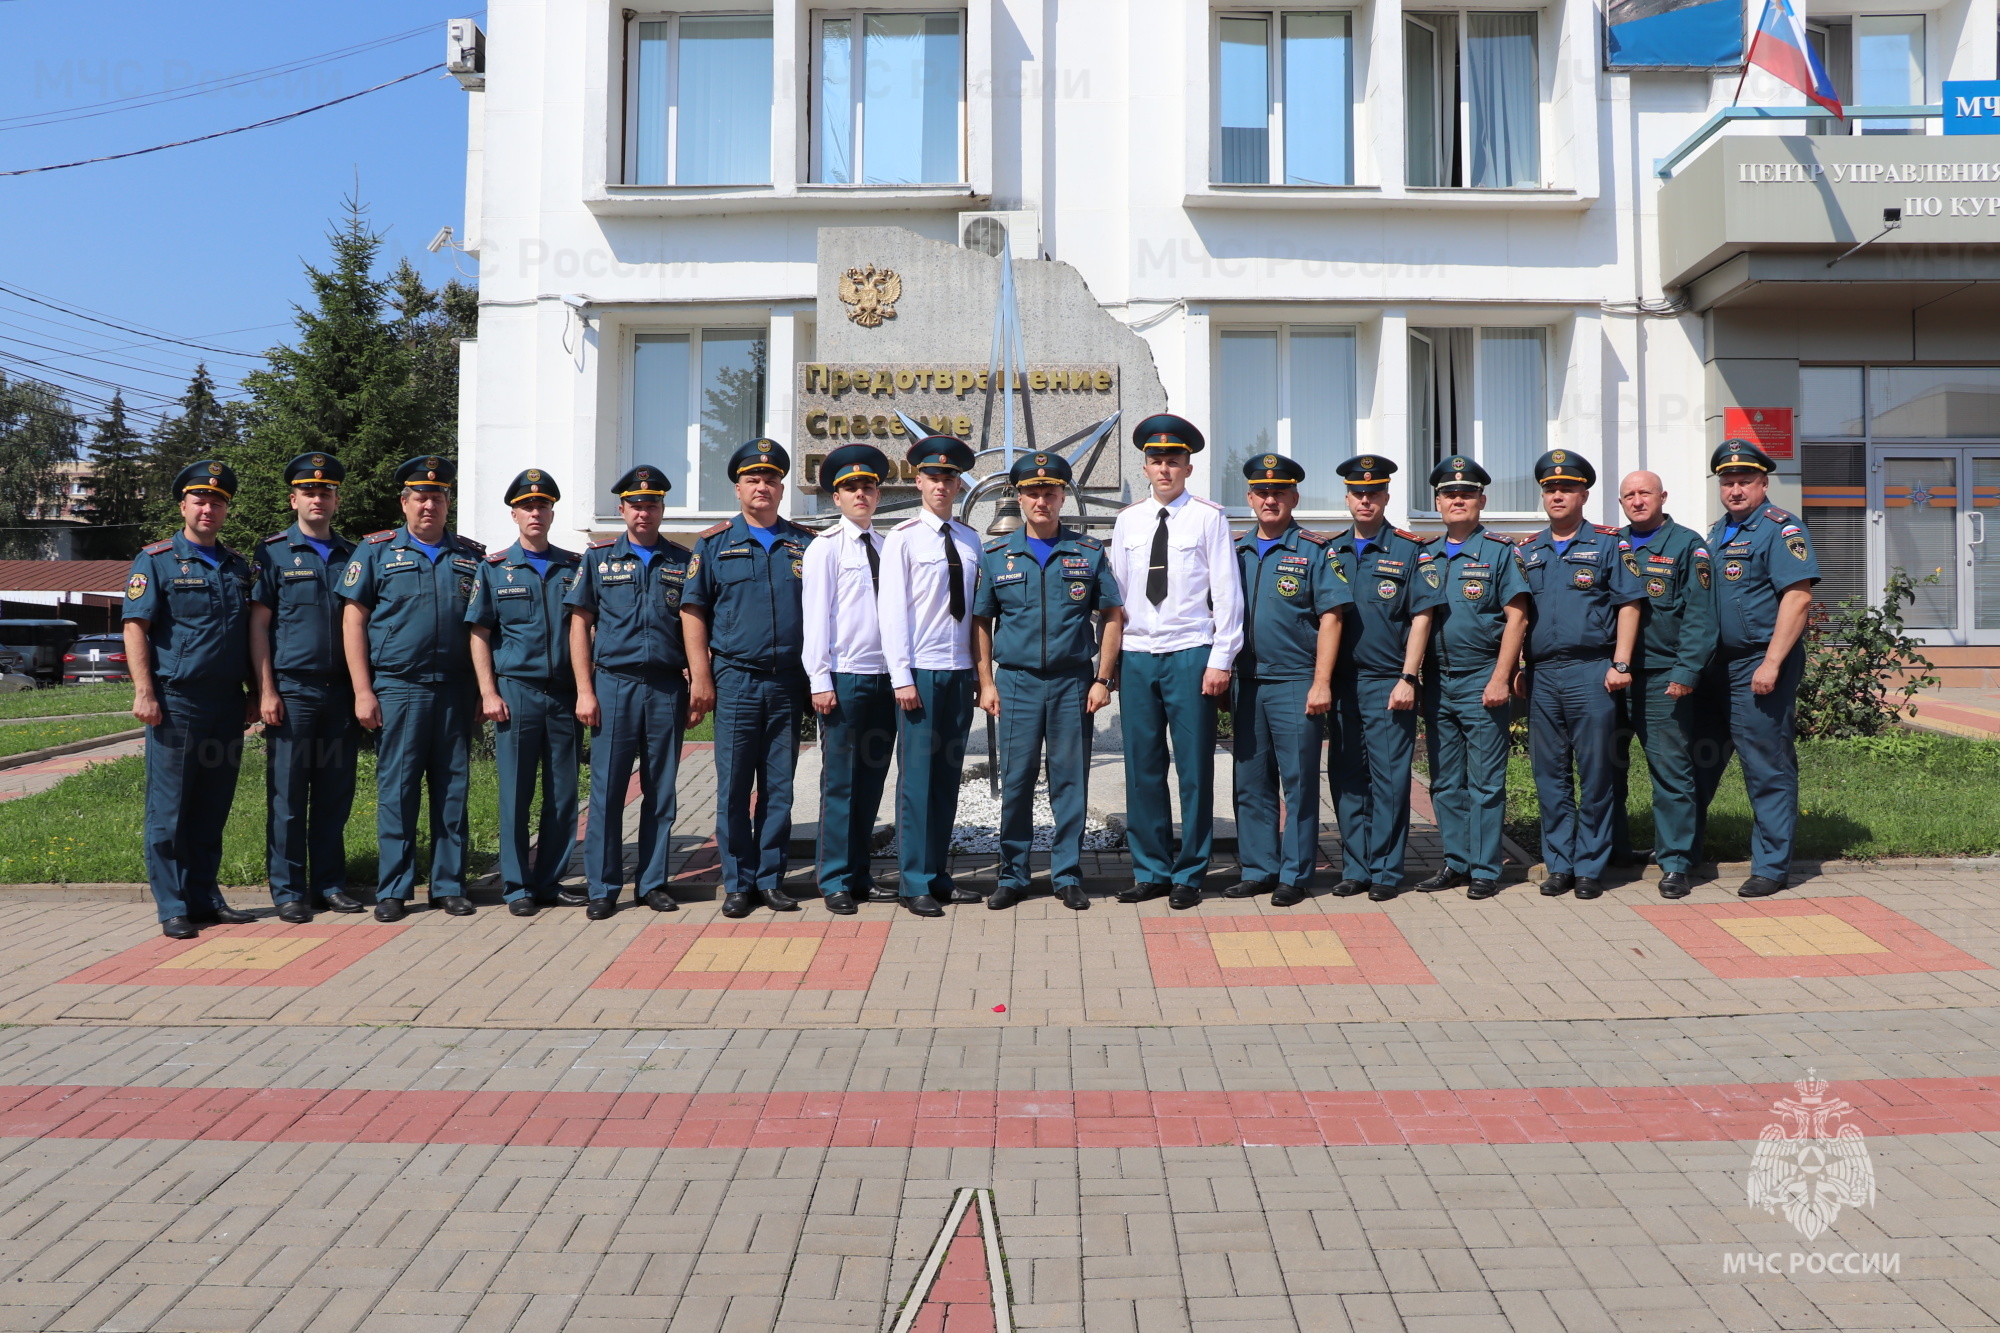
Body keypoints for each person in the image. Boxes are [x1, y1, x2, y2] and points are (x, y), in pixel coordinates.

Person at [972, 450, 1124, 911]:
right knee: (1015, 782)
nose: (1042, 499)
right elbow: (981, 621)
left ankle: (1067, 874)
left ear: (1062, 496)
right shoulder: (997, 554)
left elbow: (1113, 616)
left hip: (1072, 683)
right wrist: (986, 682)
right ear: (1018, 497)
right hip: (1016, 683)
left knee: (1069, 783)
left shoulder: (1088, 552)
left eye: (1050, 491)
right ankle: (1013, 875)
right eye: (1032, 492)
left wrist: (1103, 679)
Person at [339, 455, 485, 922]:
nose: (429, 505)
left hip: (456, 691)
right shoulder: (376, 552)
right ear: (404, 503)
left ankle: (448, 885)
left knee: (452, 791)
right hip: (398, 688)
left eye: (437, 497)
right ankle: (394, 888)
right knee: (398, 789)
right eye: (420, 497)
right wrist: (363, 690)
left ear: (447, 504)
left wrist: (485, 690)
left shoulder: (471, 555)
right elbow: (353, 620)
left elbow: (485, 628)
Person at [1109, 414, 1241, 910]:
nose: (1165, 469)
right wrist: (1112, 662)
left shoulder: (1209, 517)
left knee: (1193, 769)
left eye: (1174, 460)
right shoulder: (1128, 521)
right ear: (1145, 466)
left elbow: (1228, 596)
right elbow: (1116, 599)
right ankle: (1151, 870)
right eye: (1156, 460)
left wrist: (1220, 659)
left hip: (1190, 654)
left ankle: (1190, 871)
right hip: (1139, 656)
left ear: (1188, 466)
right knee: (1142, 768)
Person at [124, 461, 258, 939]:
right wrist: (144, 691)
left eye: (217, 502)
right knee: (169, 809)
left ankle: (204, 896)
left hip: (226, 704)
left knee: (211, 806)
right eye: (200, 500)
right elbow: (135, 627)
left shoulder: (239, 567)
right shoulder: (156, 561)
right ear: (183, 505)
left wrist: (254, 692)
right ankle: (172, 905)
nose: (208, 508)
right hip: (176, 702)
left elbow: (249, 635)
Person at [682, 439, 814, 918]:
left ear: (782, 488)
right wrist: (701, 676)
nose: (763, 486)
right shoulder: (714, 544)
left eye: (771, 479)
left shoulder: (804, 544)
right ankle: (738, 881)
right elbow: (693, 611)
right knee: (735, 786)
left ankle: (771, 879)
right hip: (736, 678)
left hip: (786, 683)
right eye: (753, 479)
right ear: (737, 487)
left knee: (779, 787)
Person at [567, 465, 697, 919]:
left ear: (663, 509)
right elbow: (579, 625)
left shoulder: (683, 562)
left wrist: (699, 682)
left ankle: (653, 882)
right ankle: (603, 886)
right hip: (614, 685)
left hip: (665, 686)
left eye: (652, 503)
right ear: (621, 509)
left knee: (662, 791)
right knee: (606, 791)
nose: (644, 511)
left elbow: (698, 626)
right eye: (636, 504)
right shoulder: (598, 560)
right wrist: (585, 690)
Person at [1693, 439, 1819, 898]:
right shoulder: (1716, 532)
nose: (1735, 489)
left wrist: (1771, 662)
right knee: (1699, 760)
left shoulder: (1780, 529)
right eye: (1728, 481)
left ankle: (1770, 866)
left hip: (1759, 664)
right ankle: (1684, 851)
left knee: (1766, 764)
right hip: (1714, 668)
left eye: (1744, 480)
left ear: (1764, 483)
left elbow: (1798, 597)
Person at [1515, 450, 1643, 900]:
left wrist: (1621, 662)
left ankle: (1590, 866)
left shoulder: (1609, 543)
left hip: (1593, 671)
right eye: (1550, 488)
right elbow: (1517, 617)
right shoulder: (1528, 550)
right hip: (1544, 675)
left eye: (1566, 487)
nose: (1557, 495)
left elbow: (1629, 604)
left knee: (1596, 773)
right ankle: (1560, 864)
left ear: (1583, 494)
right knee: (1549, 775)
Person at [1228, 453, 1350, 906]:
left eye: (1279, 491)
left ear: (1295, 496)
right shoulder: (1235, 551)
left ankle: (1295, 874)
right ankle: (1259, 868)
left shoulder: (1315, 550)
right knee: (1251, 780)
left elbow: (1333, 617)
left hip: (1296, 681)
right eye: (1261, 491)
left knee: (1298, 782)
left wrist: (1322, 682)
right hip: (1247, 683)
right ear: (1250, 498)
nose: (1270, 498)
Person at [1413, 457, 1531, 902]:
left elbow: (1517, 618)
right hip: (1439, 681)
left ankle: (1485, 867)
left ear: (1481, 500)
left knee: (1484, 781)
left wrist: (1503, 676)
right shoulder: (1426, 554)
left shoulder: (1500, 552)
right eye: (1448, 494)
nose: (1456, 500)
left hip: (1484, 677)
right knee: (1444, 780)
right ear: (1438, 502)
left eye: (1466, 493)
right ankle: (1455, 861)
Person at [249, 453, 360, 923]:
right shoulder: (272, 553)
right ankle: (289, 890)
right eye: (309, 491)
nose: (318, 498)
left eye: (326, 491)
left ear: (336, 499)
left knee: (336, 794)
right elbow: (258, 627)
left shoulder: (354, 554)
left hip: (341, 693)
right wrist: (265, 691)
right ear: (294, 498)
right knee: (289, 796)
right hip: (292, 692)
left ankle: (329, 884)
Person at [469, 469, 584, 918]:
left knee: (563, 794)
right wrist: (487, 692)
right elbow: (479, 633)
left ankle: (550, 880)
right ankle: (516, 886)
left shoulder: (574, 568)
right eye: (527, 506)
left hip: (565, 696)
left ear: (552, 511)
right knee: (516, 793)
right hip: (515, 693)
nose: (535, 512)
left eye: (543, 505)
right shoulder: (495, 569)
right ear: (514, 513)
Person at [1327, 455, 1441, 902]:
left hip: (1387, 681)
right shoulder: (1330, 550)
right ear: (1348, 497)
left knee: (1390, 780)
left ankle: (1388, 871)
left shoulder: (1410, 551)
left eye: (1374, 493)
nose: (1365, 500)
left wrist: (1408, 677)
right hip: (1340, 685)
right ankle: (1355, 867)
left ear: (1386, 497)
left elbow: (1422, 616)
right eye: (1358, 493)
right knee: (1346, 778)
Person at [879, 433, 983, 917]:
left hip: (959, 672)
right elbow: (892, 612)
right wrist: (900, 675)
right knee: (917, 779)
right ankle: (912, 880)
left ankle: (939, 875)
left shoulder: (970, 539)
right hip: (919, 672)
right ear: (918, 481)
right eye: (933, 476)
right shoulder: (901, 539)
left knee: (947, 778)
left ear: (960, 485)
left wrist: (981, 677)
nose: (942, 484)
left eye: (950, 477)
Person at [802, 443, 898, 915]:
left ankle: (861, 873)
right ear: (835, 497)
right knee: (840, 782)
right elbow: (816, 616)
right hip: (844, 678)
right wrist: (819, 678)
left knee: (872, 782)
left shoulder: (887, 545)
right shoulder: (825, 548)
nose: (861, 493)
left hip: (886, 680)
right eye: (850, 487)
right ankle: (834, 878)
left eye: (868, 486)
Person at [1611, 470, 1716, 900]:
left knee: (1671, 773)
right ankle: (1613, 850)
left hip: (1661, 678)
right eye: (1629, 495)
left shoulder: (1687, 545)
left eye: (1645, 493)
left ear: (1662, 497)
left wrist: (1686, 672)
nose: (1637, 501)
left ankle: (1675, 863)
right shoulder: (1609, 542)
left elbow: (1701, 616)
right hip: (1611, 677)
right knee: (1606, 772)